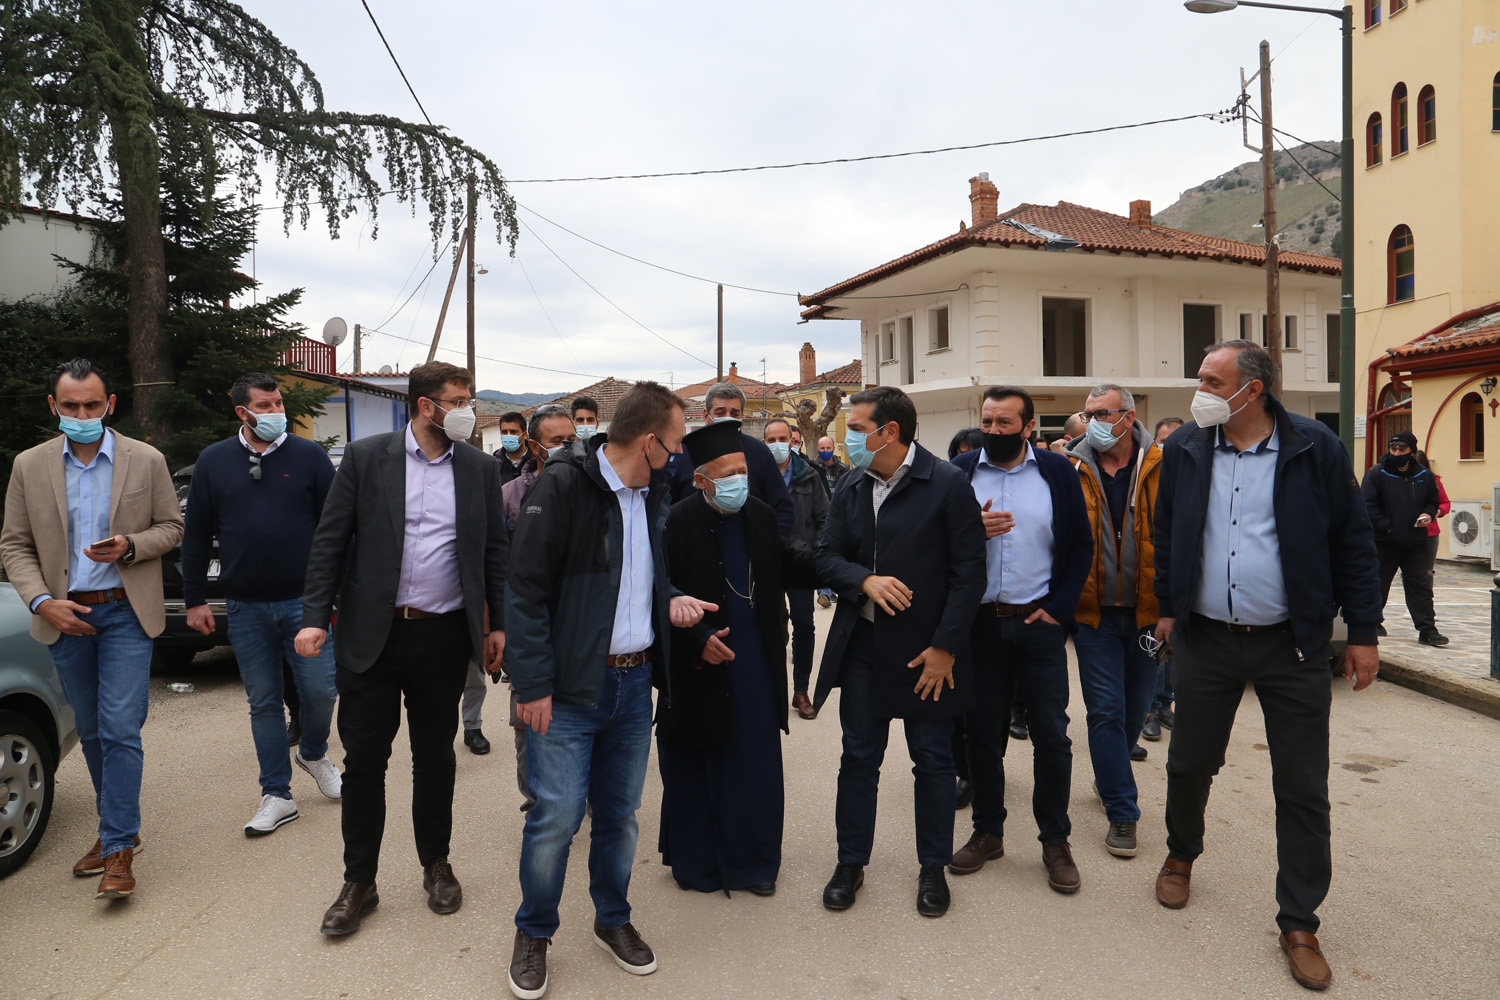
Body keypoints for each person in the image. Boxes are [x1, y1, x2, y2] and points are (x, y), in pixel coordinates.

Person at [1152, 340, 1381, 992]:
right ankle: (1180, 855)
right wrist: (1167, 609)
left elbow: (1354, 542)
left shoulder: (1313, 447)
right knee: (1189, 761)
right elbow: (1167, 533)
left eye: (1211, 380)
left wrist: (1362, 633)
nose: (1199, 389)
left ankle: (1299, 921)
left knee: (1302, 784)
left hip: (1293, 644)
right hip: (1207, 640)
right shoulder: (1186, 447)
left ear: (1251, 390)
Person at [505, 381, 714, 999]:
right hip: (570, 688)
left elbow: (638, 576)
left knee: (619, 816)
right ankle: (534, 931)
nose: (678, 455)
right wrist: (532, 685)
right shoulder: (564, 486)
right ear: (648, 441)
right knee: (555, 818)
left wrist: (669, 599)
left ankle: (612, 919)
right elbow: (525, 592)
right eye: (674, 443)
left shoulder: (652, 495)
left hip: (634, 679)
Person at [296, 360, 508, 937]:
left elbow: (494, 551)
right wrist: (315, 618)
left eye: (468, 399)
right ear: (425, 406)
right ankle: (359, 881)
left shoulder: (478, 468)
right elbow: (329, 541)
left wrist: (497, 624)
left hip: (443, 636)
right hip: (372, 635)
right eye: (457, 400)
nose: (466, 410)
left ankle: (435, 864)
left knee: (435, 757)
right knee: (365, 761)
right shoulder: (368, 458)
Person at [0, 358, 185, 900]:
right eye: (71, 405)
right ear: (53, 406)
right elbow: (14, 544)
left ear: (110, 405)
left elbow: (172, 526)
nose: (82, 415)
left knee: (121, 726)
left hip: (126, 611)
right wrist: (41, 602)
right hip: (65, 616)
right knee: (93, 729)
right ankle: (116, 830)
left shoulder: (145, 459)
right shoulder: (29, 466)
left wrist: (131, 545)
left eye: (92, 405)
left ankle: (118, 848)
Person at [813, 386, 986, 919]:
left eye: (856, 429)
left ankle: (933, 867)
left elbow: (968, 575)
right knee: (858, 757)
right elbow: (824, 556)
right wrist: (863, 579)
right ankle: (850, 862)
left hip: (925, 656)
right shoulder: (852, 483)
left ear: (889, 432)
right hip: (863, 648)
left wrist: (945, 648)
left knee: (933, 762)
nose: (848, 439)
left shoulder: (947, 483)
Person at [656, 420, 820, 894]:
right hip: (695, 665)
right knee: (696, 762)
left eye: (743, 472)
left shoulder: (760, 515)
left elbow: (789, 562)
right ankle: (699, 865)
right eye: (727, 475)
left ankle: (754, 864)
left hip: (754, 659)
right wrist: (695, 640)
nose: (739, 483)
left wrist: (850, 571)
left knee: (754, 763)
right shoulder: (673, 523)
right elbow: (654, 596)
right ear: (701, 480)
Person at [179, 372, 342, 837]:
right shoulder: (214, 461)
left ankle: (313, 752)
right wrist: (194, 599)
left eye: (278, 403)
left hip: (306, 603)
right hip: (245, 607)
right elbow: (196, 535)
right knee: (264, 702)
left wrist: (337, 594)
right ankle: (277, 794)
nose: (275, 412)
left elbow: (336, 529)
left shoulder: (310, 457)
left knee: (321, 691)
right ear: (242, 412)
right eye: (265, 406)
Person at [948, 387, 1093, 893]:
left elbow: (1080, 546)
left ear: (1029, 426)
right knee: (982, 734)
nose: (994, 430)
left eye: (1005, 422)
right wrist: (972, 529)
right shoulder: (959, 473)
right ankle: (988, 832)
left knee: (1052, 735)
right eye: (987, 421)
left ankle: (1055, 841)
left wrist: (1059, 610)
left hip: (1038, 624)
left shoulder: (1057, 472)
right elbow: (937, 544)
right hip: (980, 626)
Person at [1063, 384, 1162, 858]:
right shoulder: (1070, 466)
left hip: (1148, 616)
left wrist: (1174, 608)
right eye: (1088, 415)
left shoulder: (1163, 464)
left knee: (1135, 708)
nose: (1093, 423)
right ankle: (1123, 811)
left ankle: (1109, 779)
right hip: (1093, 615)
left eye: (1102, 414)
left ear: (1128, 415)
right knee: (1105, 710)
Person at [498, 404, 580, 813]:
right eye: (557, 441)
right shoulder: (511, 495)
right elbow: (498, 565)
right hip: (527, 625)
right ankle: (536, 800)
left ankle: (578, 795)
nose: (568, 447)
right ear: (534, 445)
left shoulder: (590, 490)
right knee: (528, 720)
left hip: (576, 626)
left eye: (572, 440)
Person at [764, 417, 828, 720]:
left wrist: (817, 554)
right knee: (771, 626)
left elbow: (824, 519)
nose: (777, 444)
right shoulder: (755, 475)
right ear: (764, 443)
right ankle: (773, 689)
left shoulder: (809, 475)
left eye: (782, 439)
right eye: (771, 440)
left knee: (804, 625)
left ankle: (801, 691)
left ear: (792, 440)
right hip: (767, 563)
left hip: (801, 561)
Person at [1362, 430, 1447, 646]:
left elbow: (1433, 501)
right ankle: (1371, 623)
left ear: (1412, 451)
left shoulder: (1424, 475)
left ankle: (1427, 630)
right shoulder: (1376, 474)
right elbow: (1368, 507)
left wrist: (1428, 514)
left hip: (1416, 541)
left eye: (1402, 449)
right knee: (1377, 584)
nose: (1397, 452)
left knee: (1420, 586)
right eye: (1393, 448)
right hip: (1384, 542)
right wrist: (1389, 528)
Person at [1143, 416, 1186, 742]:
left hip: (1183, 582)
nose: (1169, 447)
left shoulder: (1194, 475)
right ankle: (1146, 711)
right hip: (1153, 578)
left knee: (1174, 651)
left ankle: (1163, 705)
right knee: (1154, 650)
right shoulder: (1150, 476)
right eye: (1163, 441)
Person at [813, 434, 847, 608]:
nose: (825, 451)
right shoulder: (811, 468)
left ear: (833, 449)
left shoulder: (844, 469)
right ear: (817, 449)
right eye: (822, 448)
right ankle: (824, 591)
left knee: (837, 554)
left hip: (839, 518)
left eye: (828, 448)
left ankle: (831, 589)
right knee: (823, 553)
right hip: (820, 518)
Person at [494, 411, 536, 487]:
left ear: (525, 434)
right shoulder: (494, 464)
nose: (508, 435)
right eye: (504, 432)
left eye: (513, 432)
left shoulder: (537, 461)